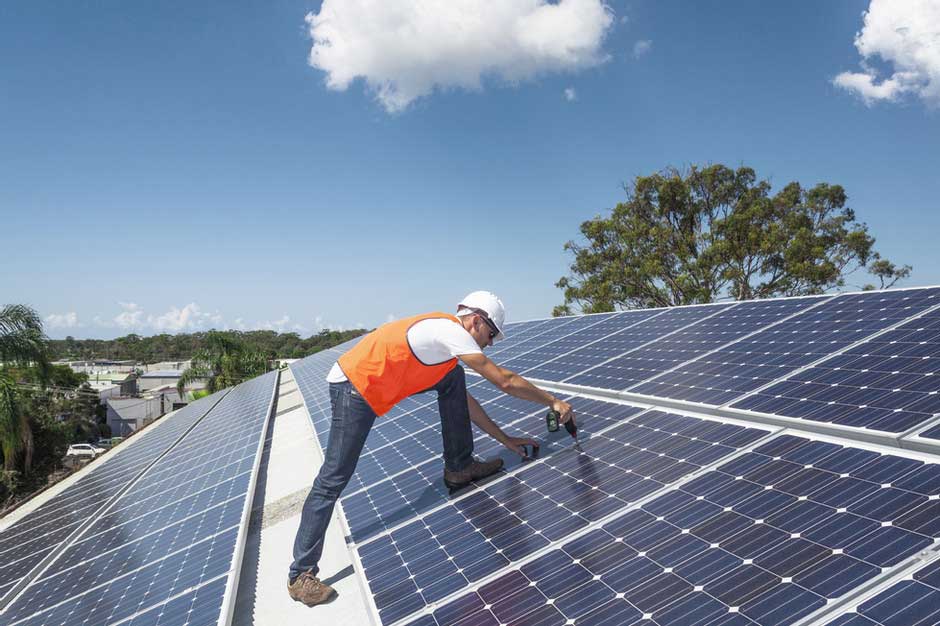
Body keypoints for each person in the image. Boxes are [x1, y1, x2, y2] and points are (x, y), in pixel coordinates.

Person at [287, 291, 575, 607]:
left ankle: (459, 467)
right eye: (490, 334)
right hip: (355, 387)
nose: (490, 343)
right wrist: (553, 401)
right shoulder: (449, 331)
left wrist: (505, 439)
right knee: (334, 477)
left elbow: (466, 403)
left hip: (378, 384)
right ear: (476, 320)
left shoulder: (446, 353)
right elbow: (504, 381)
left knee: (453, 379)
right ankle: (300, 575)